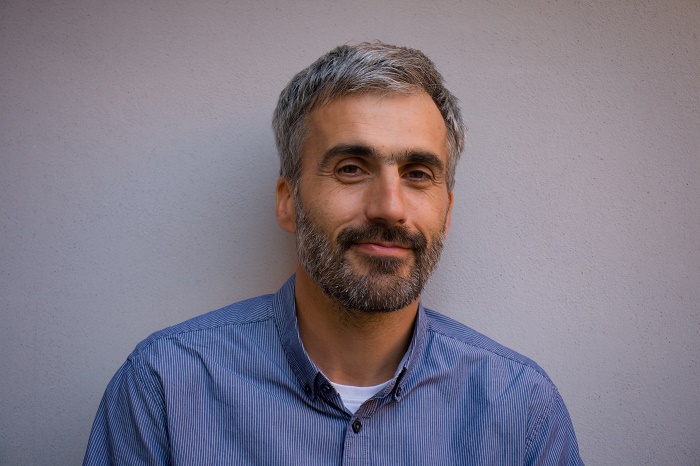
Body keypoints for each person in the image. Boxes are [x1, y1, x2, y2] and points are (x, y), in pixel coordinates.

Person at [84, 42, 583, 465]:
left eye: (417, 174)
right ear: (288, 201)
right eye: (351, 168)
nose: (390, 208)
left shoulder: (521, 409)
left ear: (447, 212)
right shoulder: (164, 386)